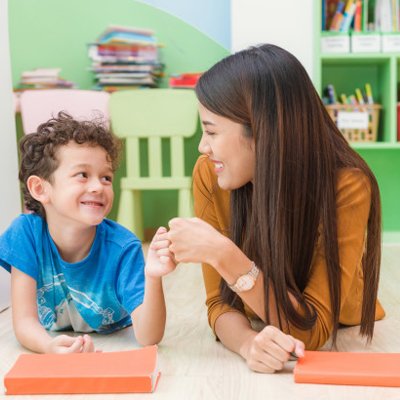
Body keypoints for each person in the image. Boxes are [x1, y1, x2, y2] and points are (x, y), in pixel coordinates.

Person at [153, 44, 385, 373]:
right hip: (259, 315)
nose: (204, 147)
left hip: (340, 326)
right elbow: (219, 304)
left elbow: (314, 328)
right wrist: (248, 343)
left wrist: (222, 253)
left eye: (211, 131)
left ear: (263, 132)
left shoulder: (346, 186)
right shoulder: (209, 173)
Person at [0, 112, 176, 354]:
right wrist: (48, 346)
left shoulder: (124, 247)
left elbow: (149, 337)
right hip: (53, 335)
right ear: (40, 188)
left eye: (106, 177)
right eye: (83, 175)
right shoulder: (25, 234)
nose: (97, 187)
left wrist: (153, 277)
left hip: (114, 337)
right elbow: (24, 322)